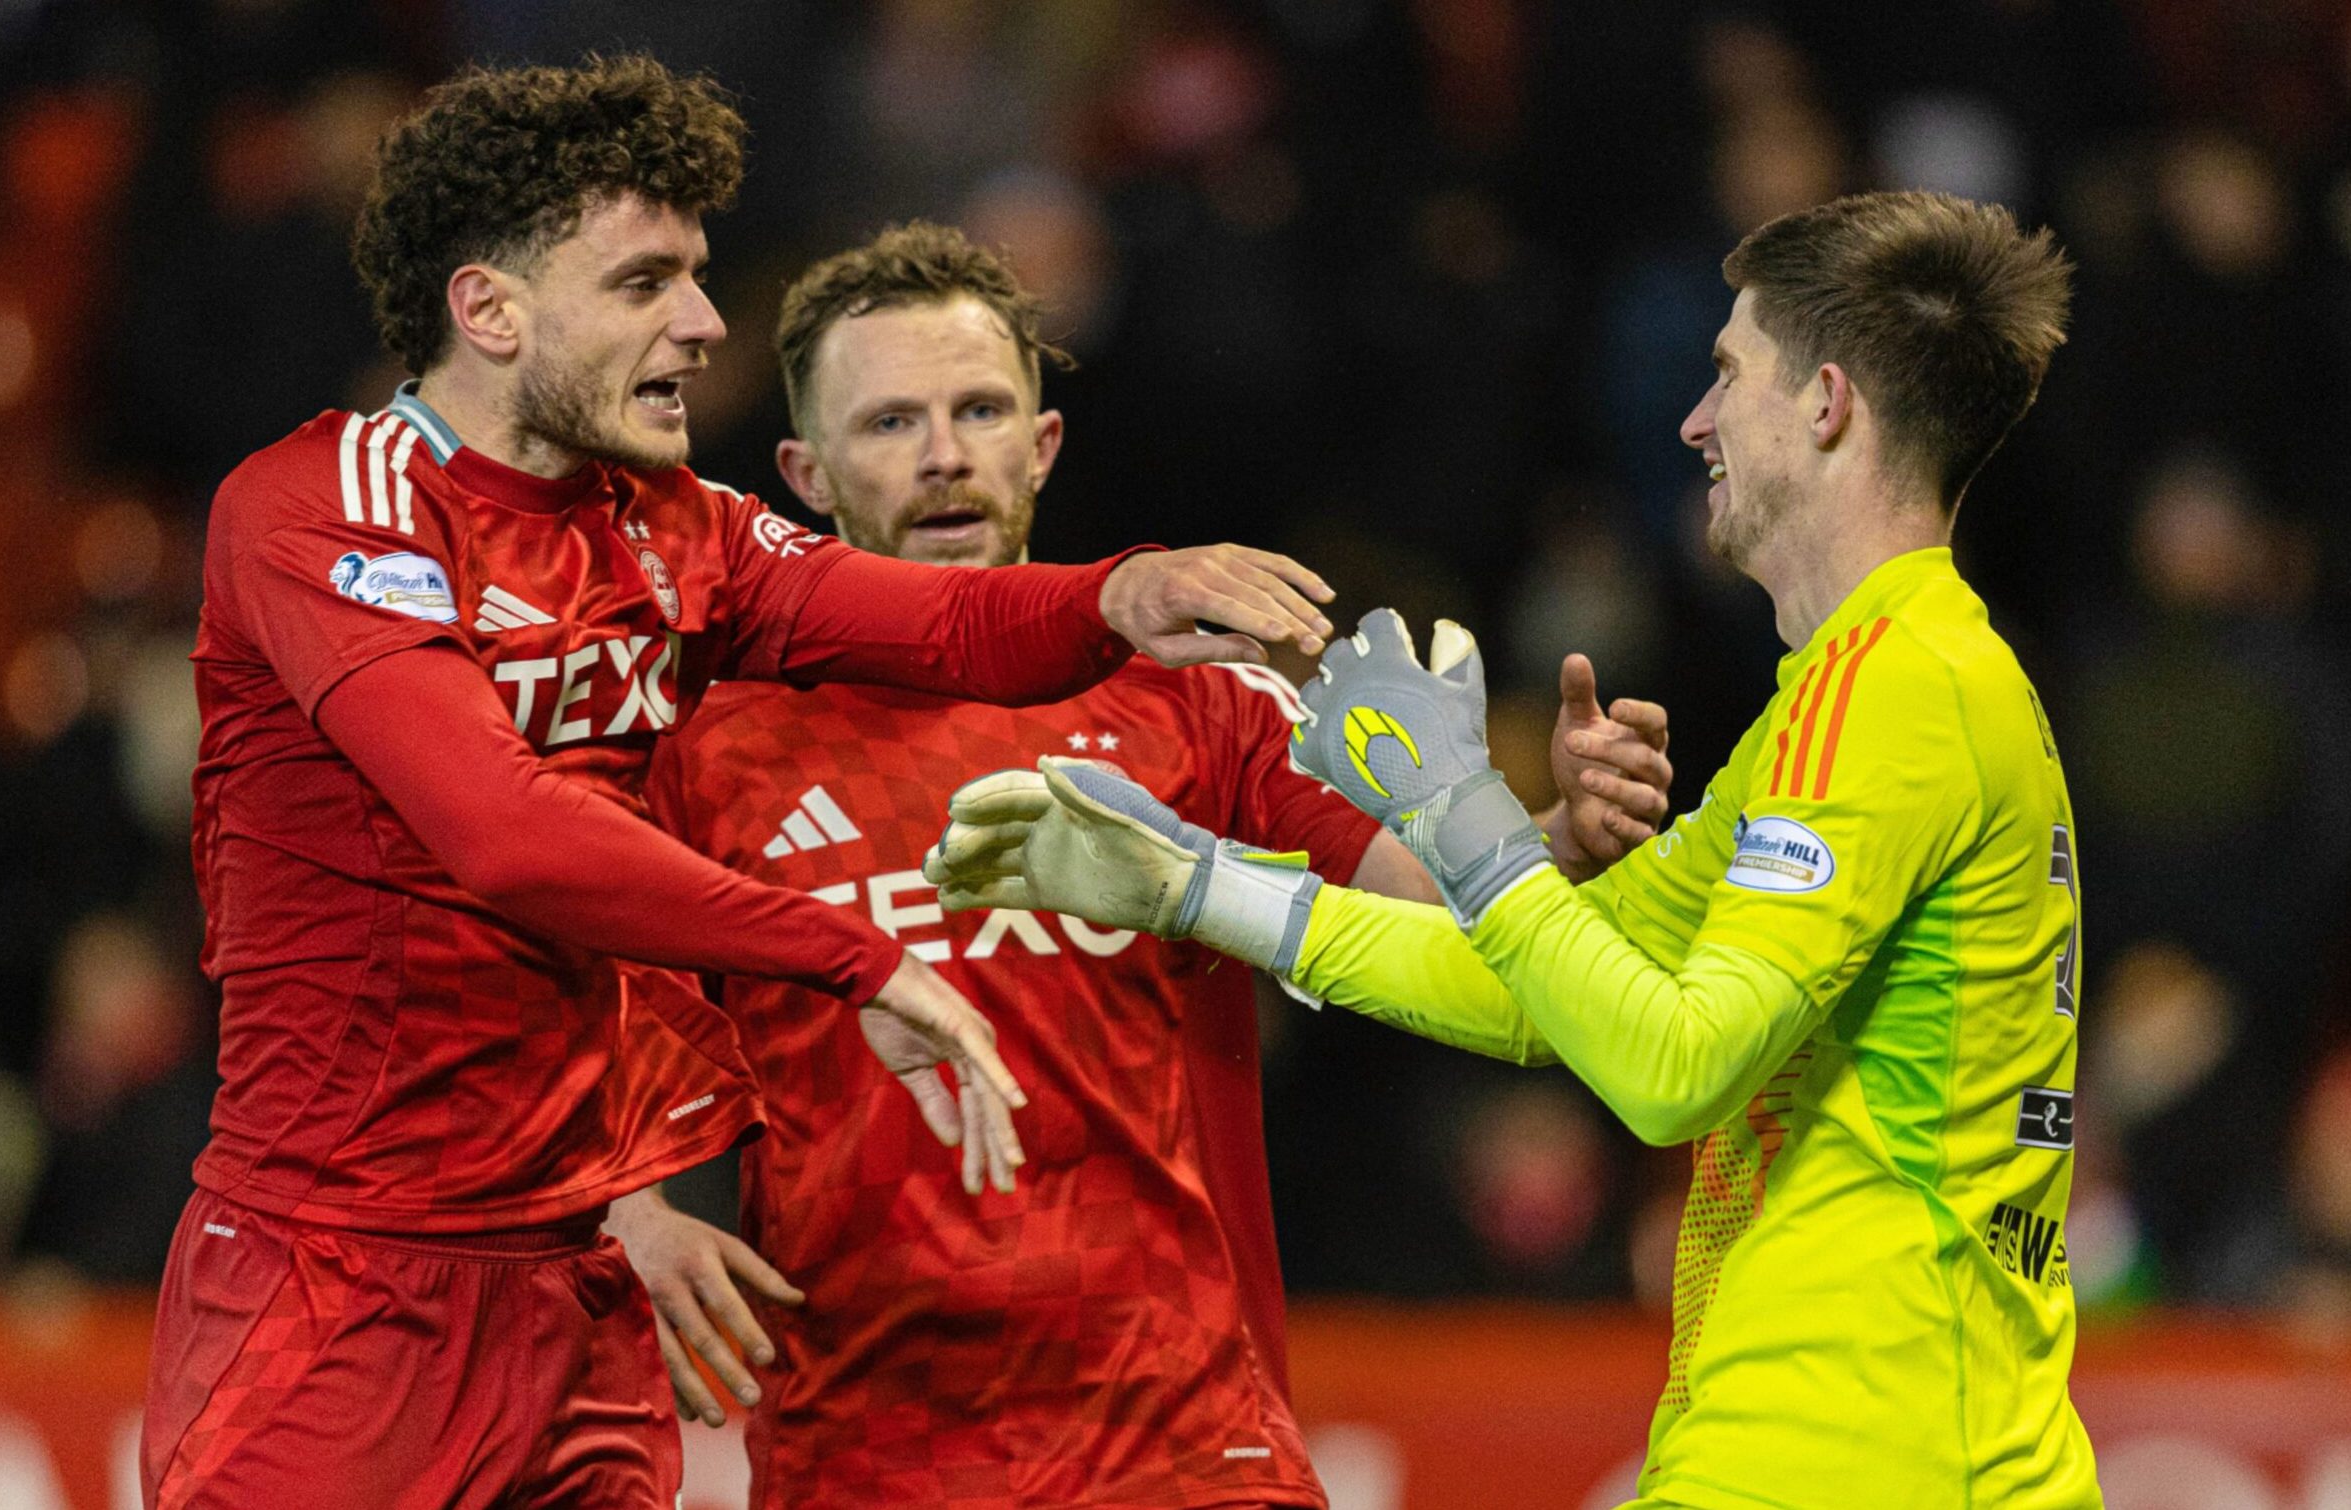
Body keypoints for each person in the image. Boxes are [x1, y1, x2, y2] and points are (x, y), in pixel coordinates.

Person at [151, 57, 1340, 1510]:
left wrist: (1126, 591)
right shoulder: (323, 507)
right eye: (647, 282)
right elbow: (504, 833)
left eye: (699, 278)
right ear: (491, 310)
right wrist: (857, 960)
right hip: (338, 1283)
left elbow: (947, 622)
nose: (704, 324)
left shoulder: (673, 528)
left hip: (575, 1298)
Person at [934, 191, 2102, 1509]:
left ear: (1825, 402)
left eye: (1724, 375)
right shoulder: (1870, 692)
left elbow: (1670, 1069)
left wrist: (1454, 806)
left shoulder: (1891, 694)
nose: (1692, 420)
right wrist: (1194, 884)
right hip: (1873, 1450)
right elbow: (1541, 979)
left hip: (1856, 1462)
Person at [642, 221, 1676, 1509]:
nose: (948, 454)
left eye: (979, 409)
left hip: (1184, 1447)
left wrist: (1558, 842)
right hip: (863, 1455)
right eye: (892, 423)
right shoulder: (708, 754)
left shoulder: (1195, 705)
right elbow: (583, 1031)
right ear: (804, 471)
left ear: (1045, 442)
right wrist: (631, 1212)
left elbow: (1441, 915)